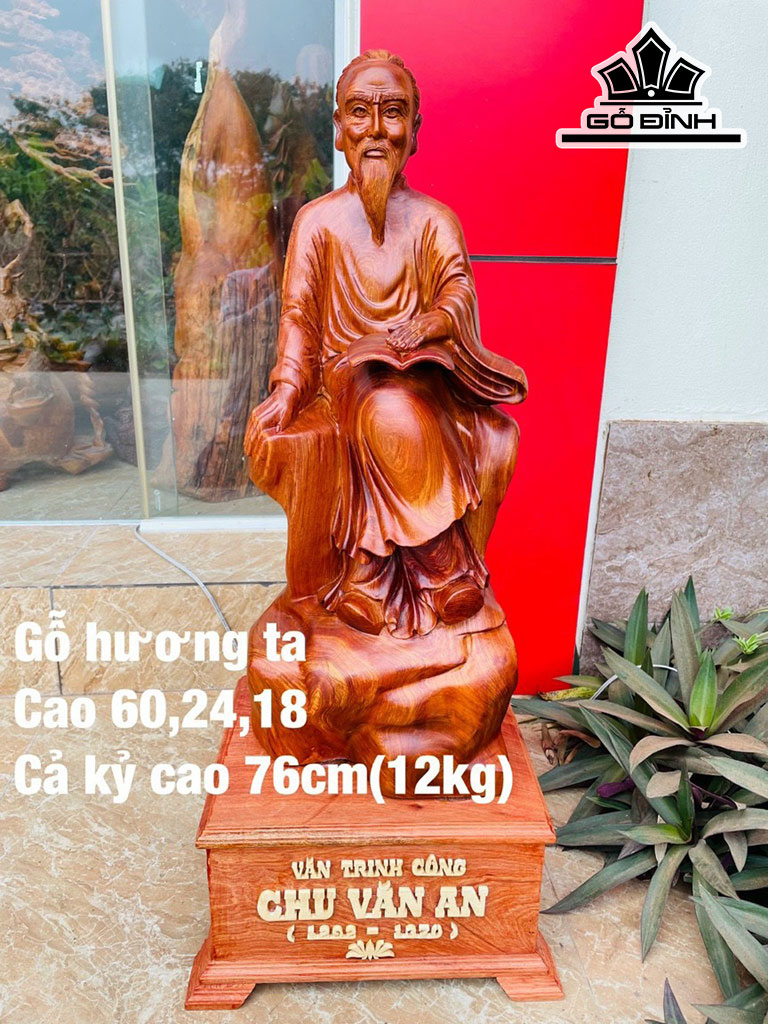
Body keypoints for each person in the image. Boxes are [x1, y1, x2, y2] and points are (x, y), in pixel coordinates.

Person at [246, 50, 526, 639]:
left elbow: (457, 289)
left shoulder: (433, 220)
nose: (375, 130)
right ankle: (441, 569)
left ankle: (370, 576)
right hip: (344, 380)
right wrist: (288, 388)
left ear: (414, 130)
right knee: (383, 405)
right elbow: (298, 315)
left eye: (393, 112)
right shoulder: (317, 222)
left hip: (425, 374)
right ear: (339, 128)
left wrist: (431, 323)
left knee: (402, 402)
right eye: (359, 112)